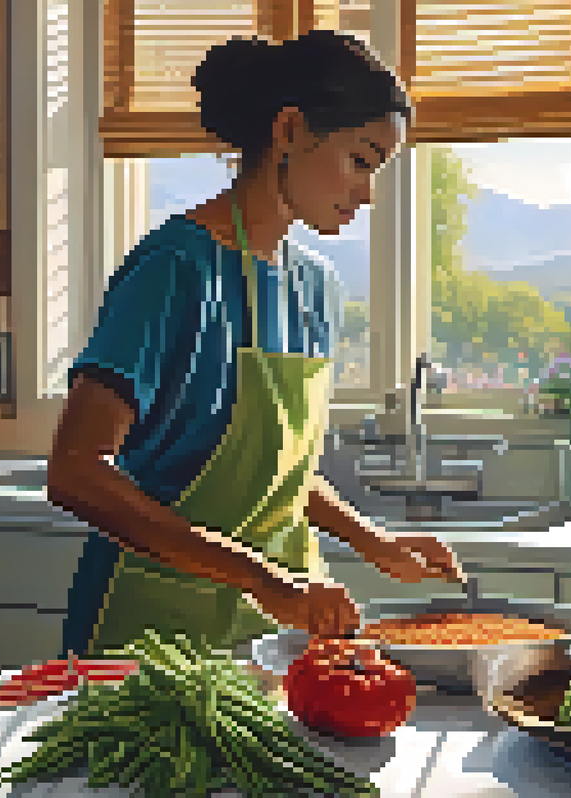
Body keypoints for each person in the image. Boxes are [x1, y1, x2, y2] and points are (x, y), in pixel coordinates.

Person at [50, 30, 464, 658]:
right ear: (291, 130)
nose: (368, 192)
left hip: (284, 623)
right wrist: (257, 577)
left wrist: (372, 540)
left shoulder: (315, 287)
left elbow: (281, 476)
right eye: (361, 159)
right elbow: (77, 471)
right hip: (155, 629)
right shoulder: (173, 269)